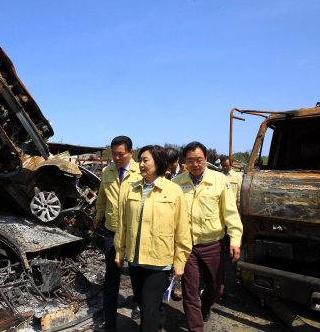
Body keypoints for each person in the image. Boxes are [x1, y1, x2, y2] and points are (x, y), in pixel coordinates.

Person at [115, 145, 192, 332]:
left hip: (159, 259)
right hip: (135, 258)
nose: (140, 164)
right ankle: (159, 319)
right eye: (140, 160)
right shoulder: (131, 189)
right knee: (142, 300)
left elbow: (182, 228)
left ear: (158, 162)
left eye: (145, 160)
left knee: (147, 307)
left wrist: (180, 262)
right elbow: (123, 224)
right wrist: (119, 251)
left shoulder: (173, 190)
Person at [172, 142, 243, 332]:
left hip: (213, 244)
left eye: (199, 160)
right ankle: (196, 328)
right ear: (184, 162)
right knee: (189, 291)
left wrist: (235, 240)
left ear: (206, 160)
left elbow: (230, 213)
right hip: (186, 246)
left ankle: (207, 304)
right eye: (191, 161)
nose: (195, 164)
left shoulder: (219, 180)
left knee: (216, 287)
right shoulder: (177, 182)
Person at [91, 136, 143, 332]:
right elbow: (102, 197)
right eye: (113, 154)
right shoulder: (107, 171)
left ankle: (139, 304)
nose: (116, 158)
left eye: (120, 154)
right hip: (112, 230)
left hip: (136, 232)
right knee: (112, 275)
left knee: (137, 273)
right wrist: (99, 214)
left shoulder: (142, 171)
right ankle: (109, 319)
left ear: (131, 153)